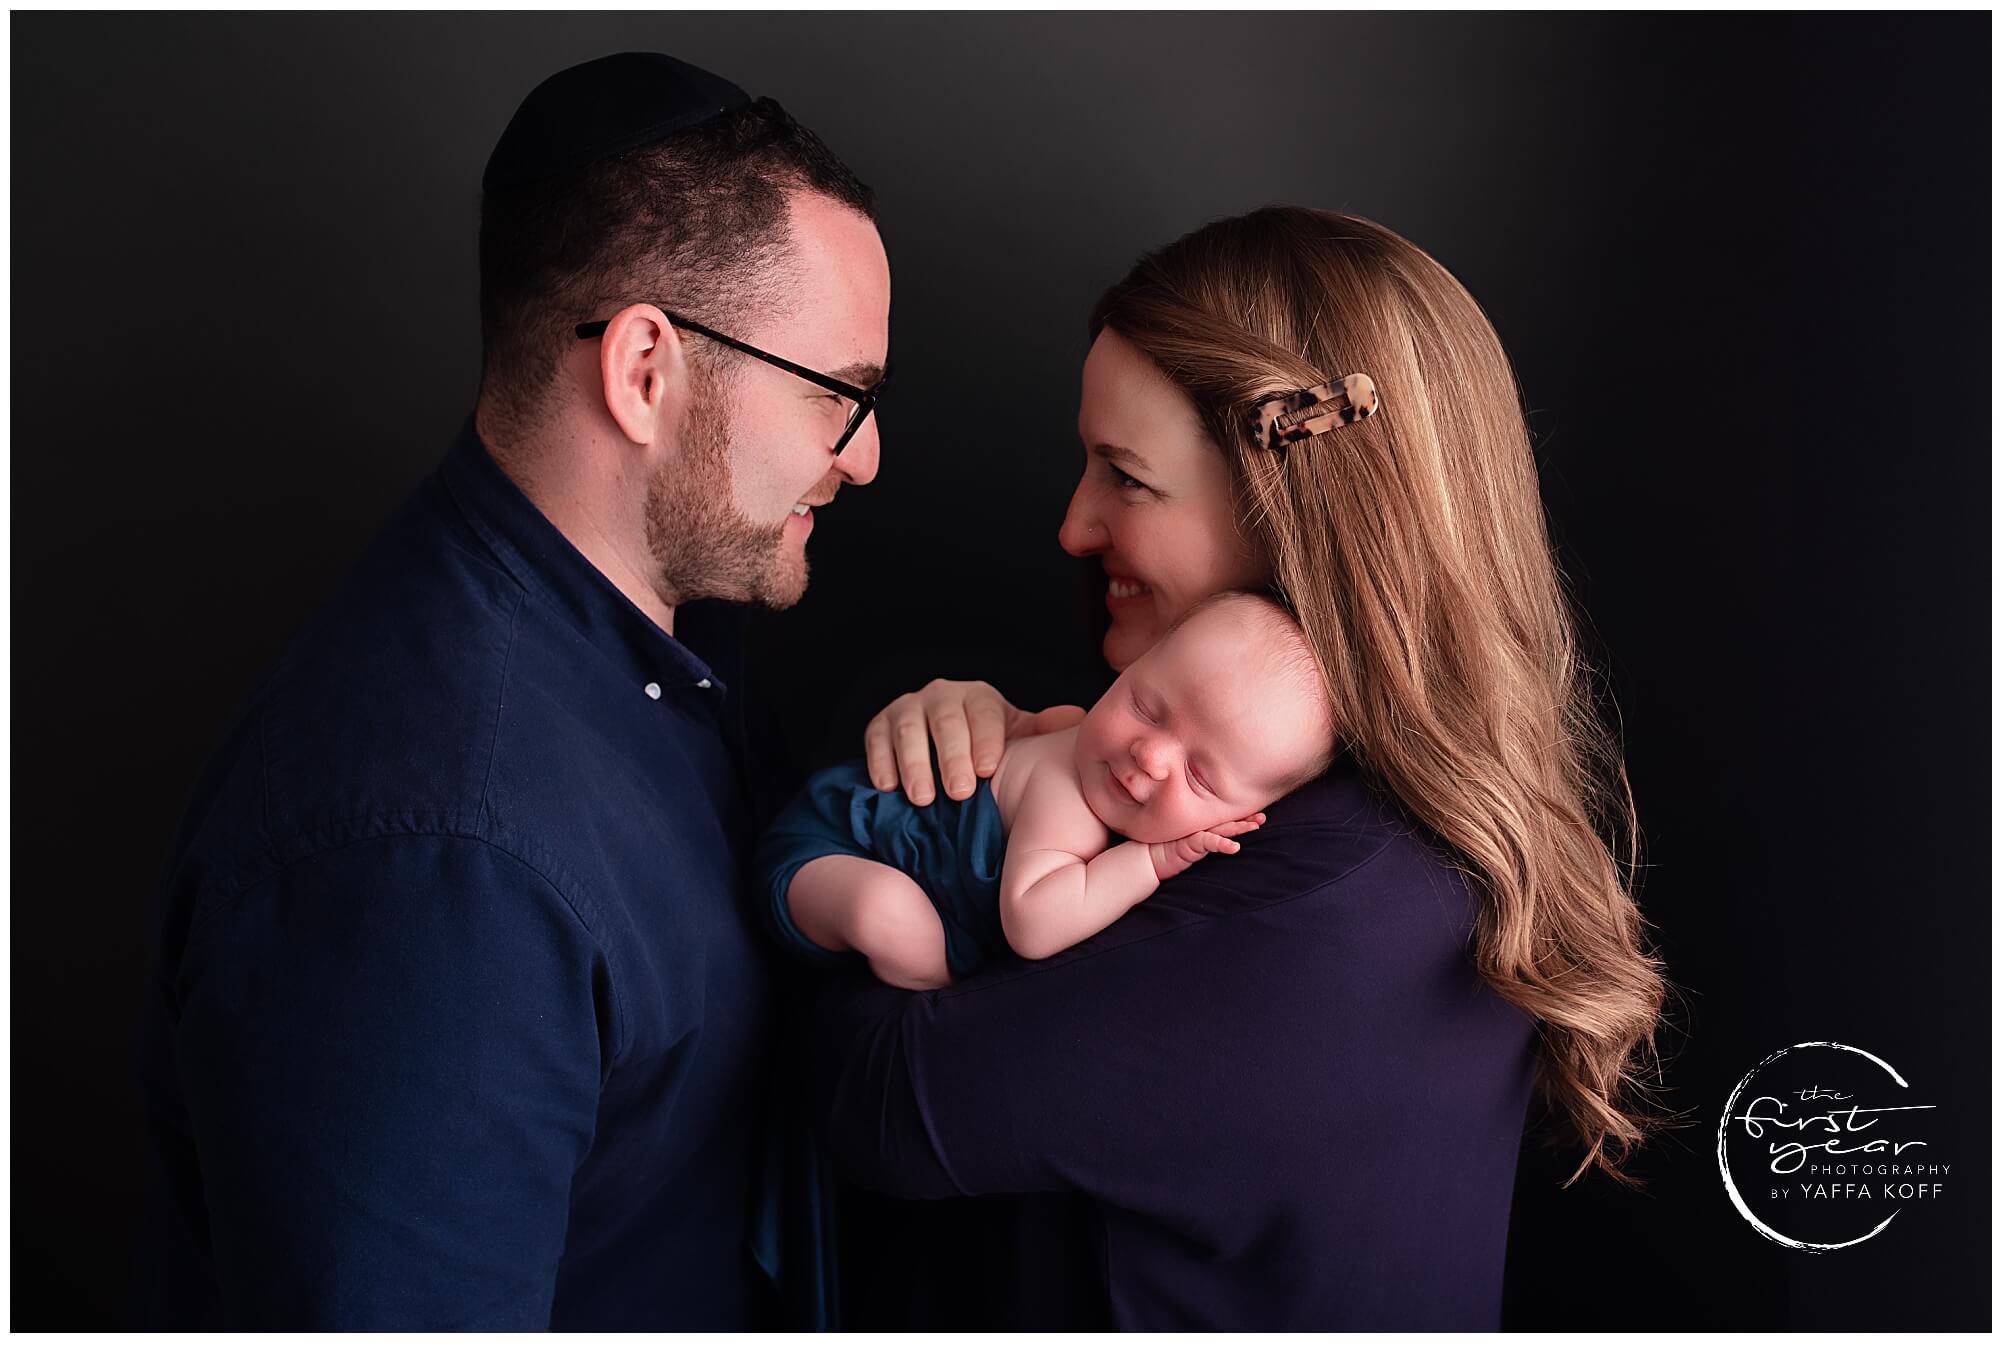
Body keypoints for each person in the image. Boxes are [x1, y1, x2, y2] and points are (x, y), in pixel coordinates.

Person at [805, 206, 1674, 1330]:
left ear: (1295, 514)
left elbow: (875, 1100)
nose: (1073, 526)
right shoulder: (1344, 824)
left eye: (1125, 476)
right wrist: (983, 790)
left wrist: (863, 852)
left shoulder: (1320, 902)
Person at [130, 51, 890, 1329]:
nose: (864, 459)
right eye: (837, 396)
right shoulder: (437, 860)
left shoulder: (658, 626)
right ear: (643, 370)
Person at [756, 589, 1332, 989]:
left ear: (1254, 812)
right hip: (829, 848)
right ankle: (944, 995)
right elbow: (1032, 926)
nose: (1150, 756)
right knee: (889, 915)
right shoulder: (1068, 800)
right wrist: (1150, 861)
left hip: (853, 844)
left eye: (1200, 776)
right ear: (1129, 668)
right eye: (1143, 706)